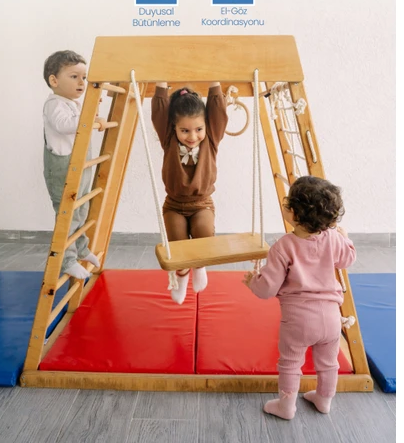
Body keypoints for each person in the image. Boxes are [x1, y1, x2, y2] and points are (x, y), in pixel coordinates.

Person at [243, 175, 356, 420]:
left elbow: (267, 289)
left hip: (298, 321)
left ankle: (286, 406)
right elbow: (347, 259)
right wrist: (345, 238)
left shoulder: (283, 247)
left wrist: (253, 282)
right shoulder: (333, 238)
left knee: (290, 363)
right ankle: (324, 400)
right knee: (328, 363)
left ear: (293, 213)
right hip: (331, 318)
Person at [151, 82, 228, 304]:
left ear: (206, 126)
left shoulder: (211, 139)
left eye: (198, 129)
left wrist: (215, 85)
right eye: (184, 130)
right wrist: (160, 86)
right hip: (174, 205)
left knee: (204, 234)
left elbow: (218, 113)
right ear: (173, 128)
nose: (192, 136)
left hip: (202, 203)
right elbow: (159, 112)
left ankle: (200, 266)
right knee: (178, 246)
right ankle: (182, 276)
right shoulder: (168, 140)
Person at [43, 50, 106, 279]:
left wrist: (93, 111)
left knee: (81, 210)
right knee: (67, 214)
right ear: (54, 80)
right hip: (62, 169)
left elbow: (83, 123)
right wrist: (90, 114)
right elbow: (65, 125)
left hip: (80, 165)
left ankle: (81, 248)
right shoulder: (54, 104)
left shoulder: (74, 105)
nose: (82, 82)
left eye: (84, 77)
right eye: (74, 76)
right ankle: (67, 259)